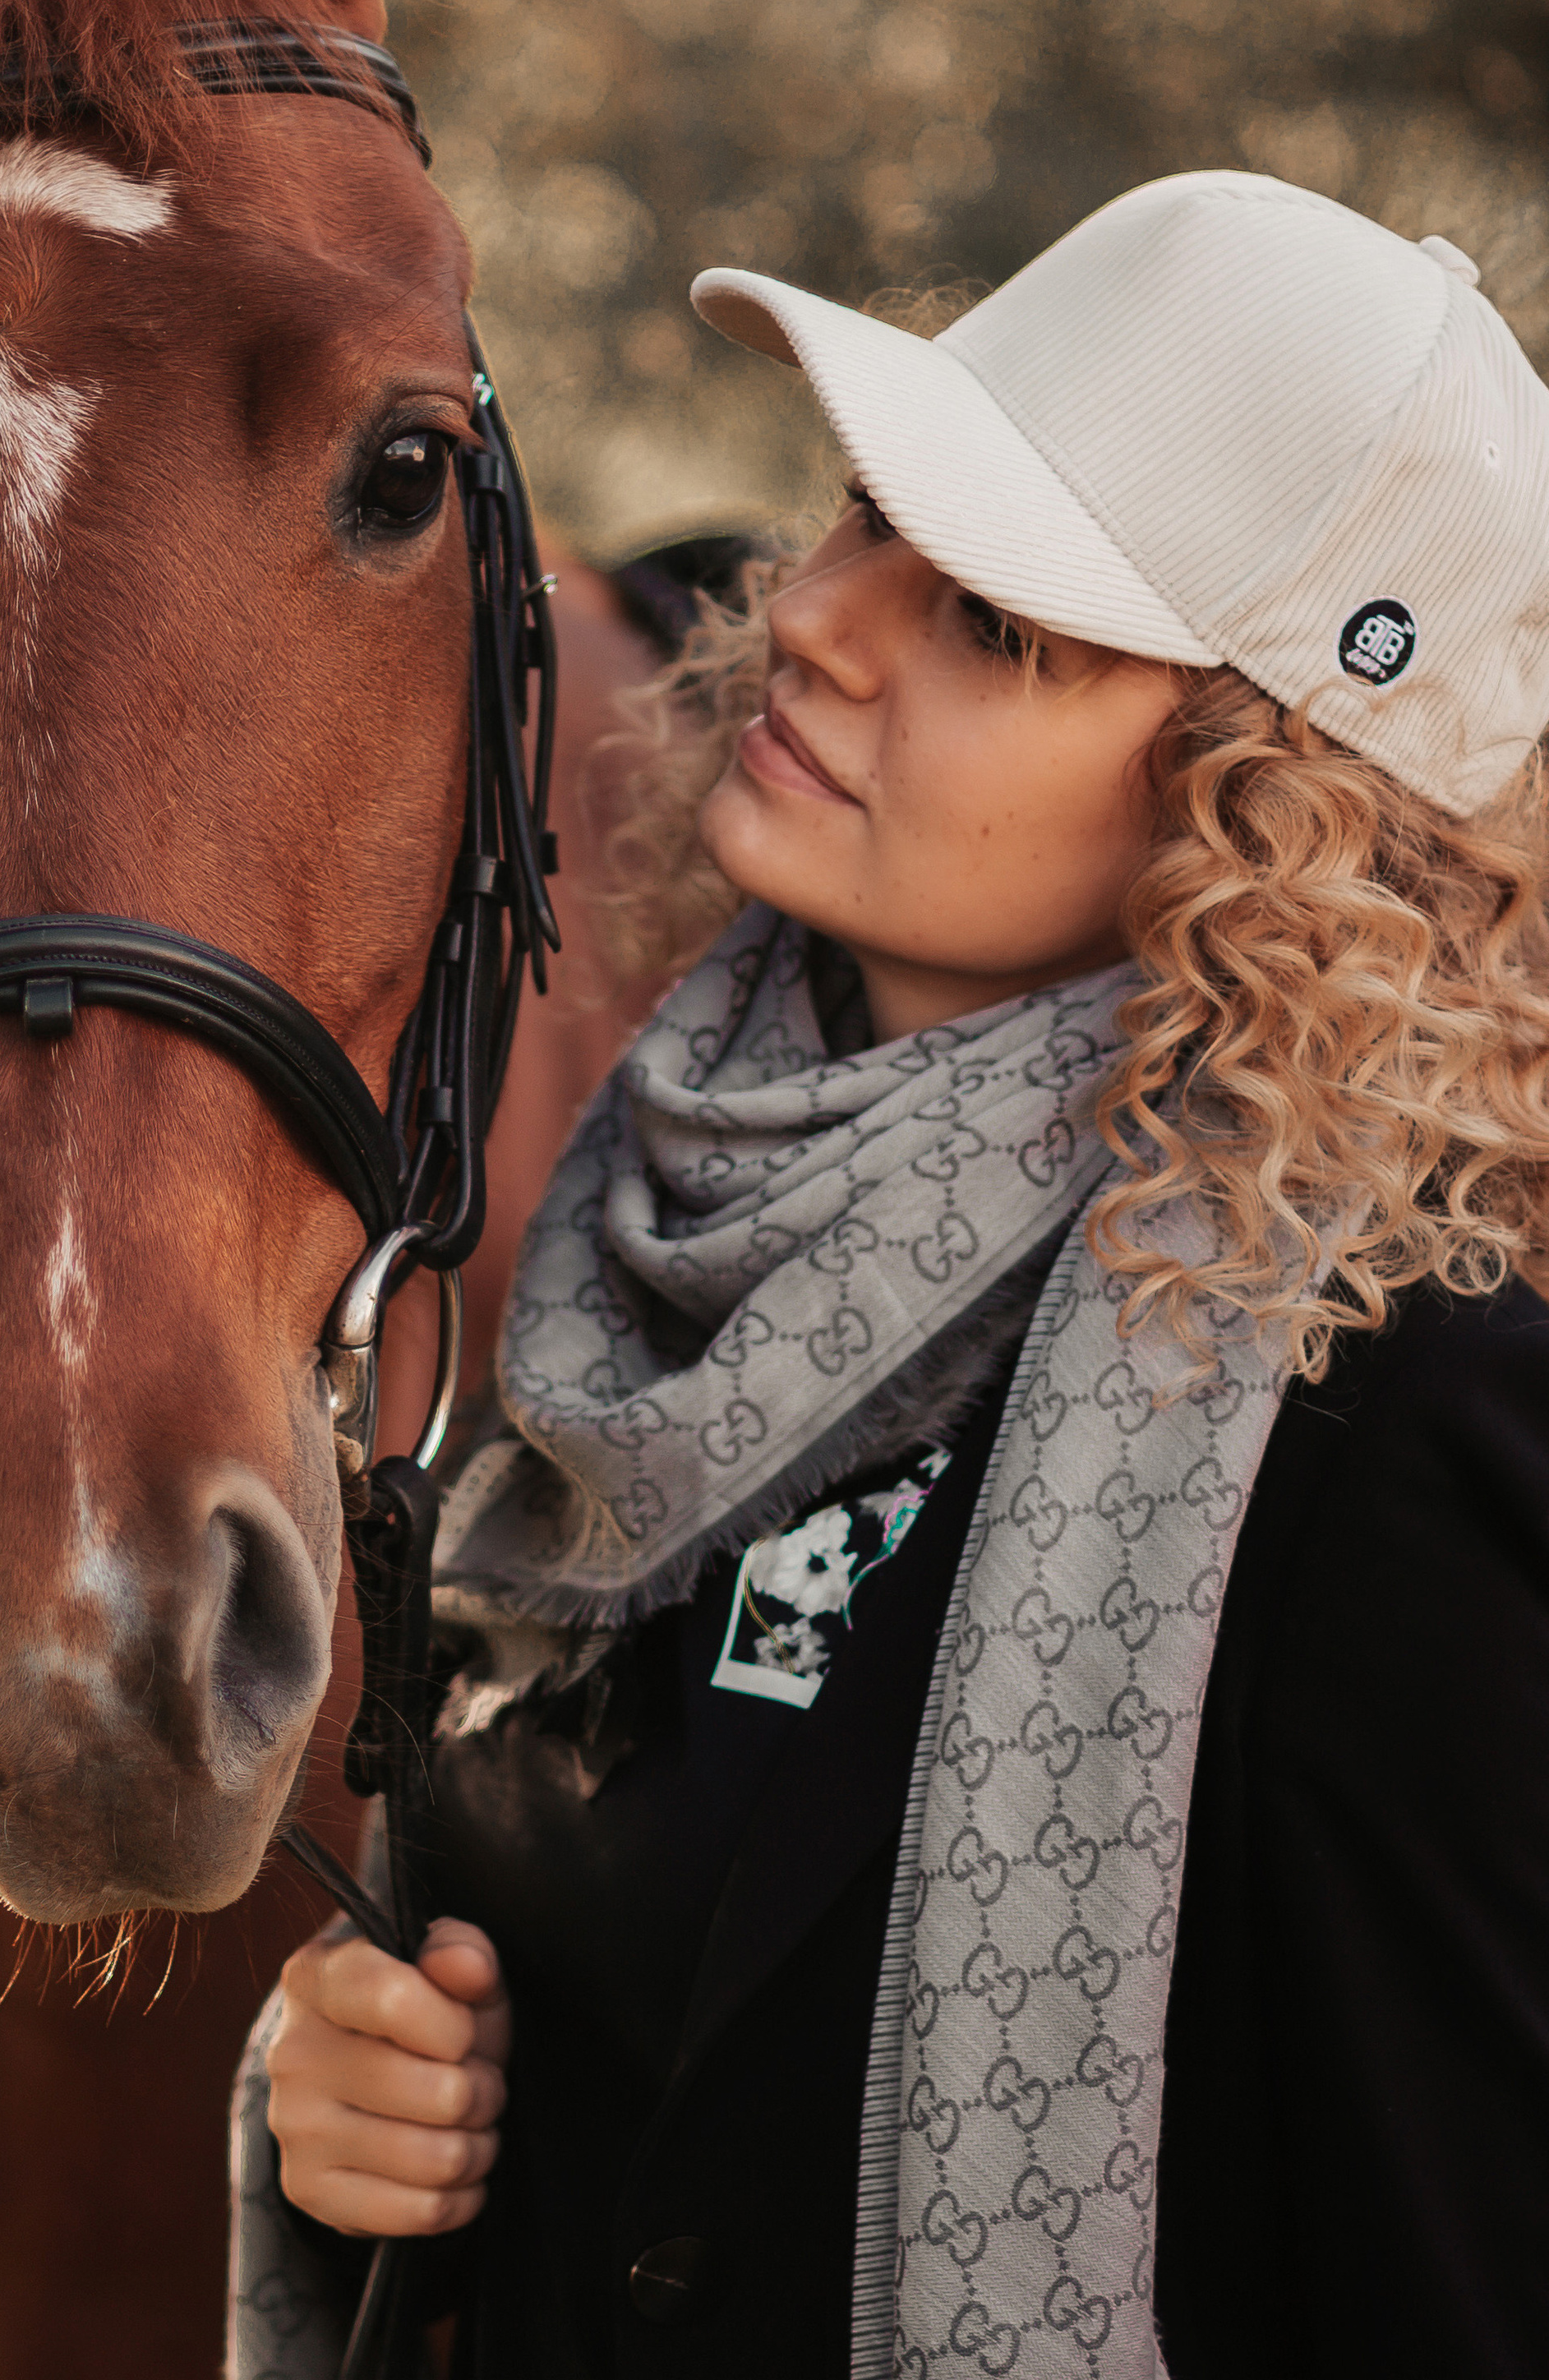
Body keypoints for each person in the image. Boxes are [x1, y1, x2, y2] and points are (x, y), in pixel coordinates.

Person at [229, 169, 1549, 2380]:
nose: (823, 615)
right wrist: (349, 2127)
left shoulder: (1400, 1432)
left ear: (1269, 802)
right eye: (866, 516)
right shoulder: (643, 1252)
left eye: (1001, 626)